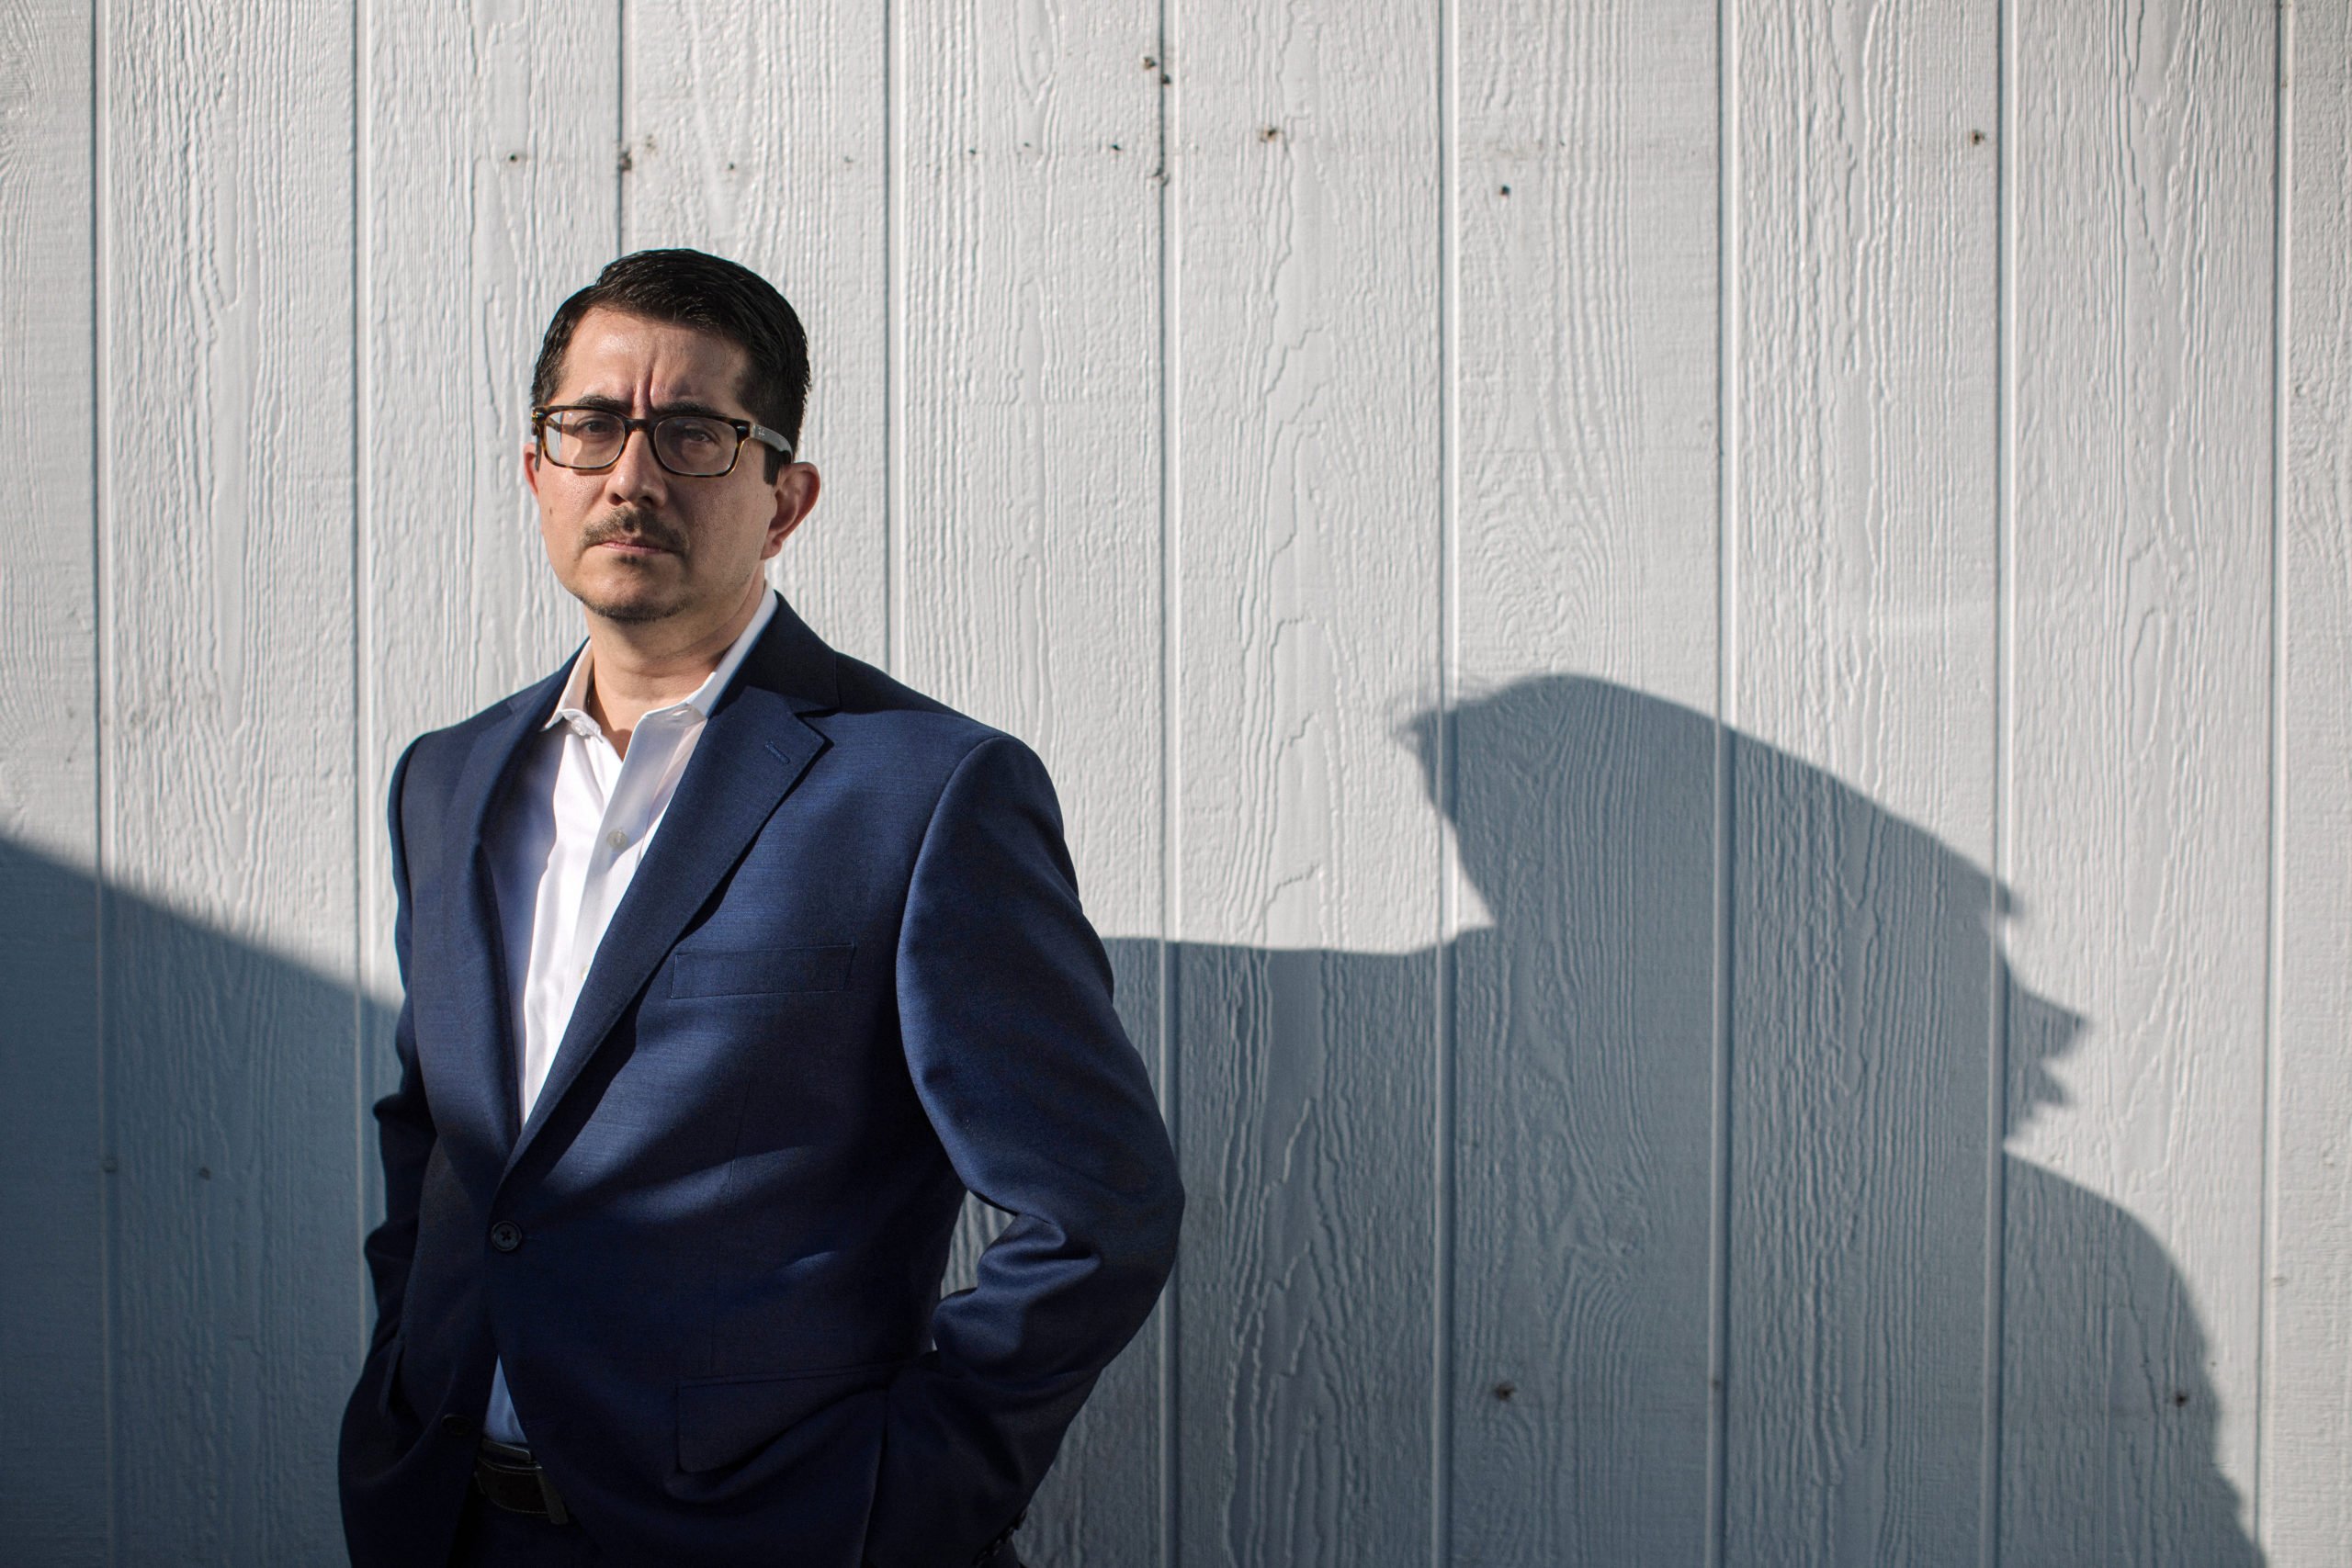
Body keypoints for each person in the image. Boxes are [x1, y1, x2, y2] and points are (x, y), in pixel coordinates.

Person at [336, 249, 1182, 1568]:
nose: (631, 473)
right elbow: (437, 1145)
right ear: (536, 471)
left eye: (694, 434)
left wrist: (900, 1503)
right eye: (591, 426)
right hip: (453, 1525)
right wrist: (405, 1372)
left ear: (786, 501)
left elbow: (1103, 1210)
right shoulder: (447, 781)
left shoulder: (927, 790)